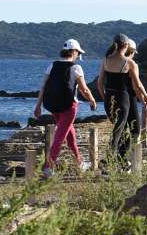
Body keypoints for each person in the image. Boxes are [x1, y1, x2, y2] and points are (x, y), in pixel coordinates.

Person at [33, 39, 98, 178]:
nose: (78, 56)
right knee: (60, 136)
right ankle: (48, 167)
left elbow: (43, 87)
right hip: (69, 107)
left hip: (53, 106)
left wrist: (38, 105)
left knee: (70, 135)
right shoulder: (76, 68)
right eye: (78, 53)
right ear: (74, 52)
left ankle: (79, 163)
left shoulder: (52, 65)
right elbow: (84, 89)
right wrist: (92, 101)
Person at [97, 34, 147, 168]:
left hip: (109, 98)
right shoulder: (129, 63)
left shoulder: (105, 60)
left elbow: (99, 83)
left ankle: (120, 161)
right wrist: (146, 99)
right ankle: (108, 162)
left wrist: (106, 99)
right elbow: (137, 85)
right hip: (123, 99)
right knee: (119, 131)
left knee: (121, 130)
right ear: (126, 46)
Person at [122, 39, 147, 146]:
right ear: (133, 51)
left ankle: (120, 156)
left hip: (117, 99)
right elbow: (137, 86)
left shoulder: (114, 63)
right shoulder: (132, 64)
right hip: (130, 99)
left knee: (122, 129)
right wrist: (145, 102)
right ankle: (134, 157)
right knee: (135, 130)